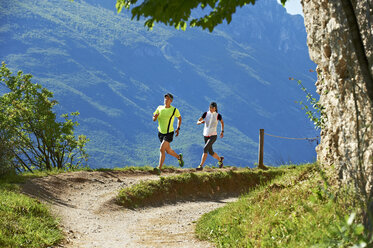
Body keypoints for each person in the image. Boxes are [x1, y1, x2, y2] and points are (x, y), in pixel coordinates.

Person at [153, 93, 184, 173]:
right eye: (165, 98)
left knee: (161, 149)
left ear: (171, 101)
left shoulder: (174, 110)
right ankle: (179, 157)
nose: (166, 100)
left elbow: (179, 118)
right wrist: (155, 117)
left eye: (168, 99)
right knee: (168, 150)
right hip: (160, 133)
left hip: (169, 133)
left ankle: (159, 168)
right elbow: (154, 118)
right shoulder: (159, 108)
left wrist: (178, 128)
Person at [196, 102, 224, 171]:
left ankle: (200, 166)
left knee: (205, 148)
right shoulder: (206, 114)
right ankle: (220, 159)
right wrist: (200, 122)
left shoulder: (218, 115)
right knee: (211, 152)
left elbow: (222, 122)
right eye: (210, 107)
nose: (211, 109)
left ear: (215, 108)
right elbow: (198, 121)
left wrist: (222, 131)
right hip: (205, 135)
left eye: (212, 108)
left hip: (213, 135)